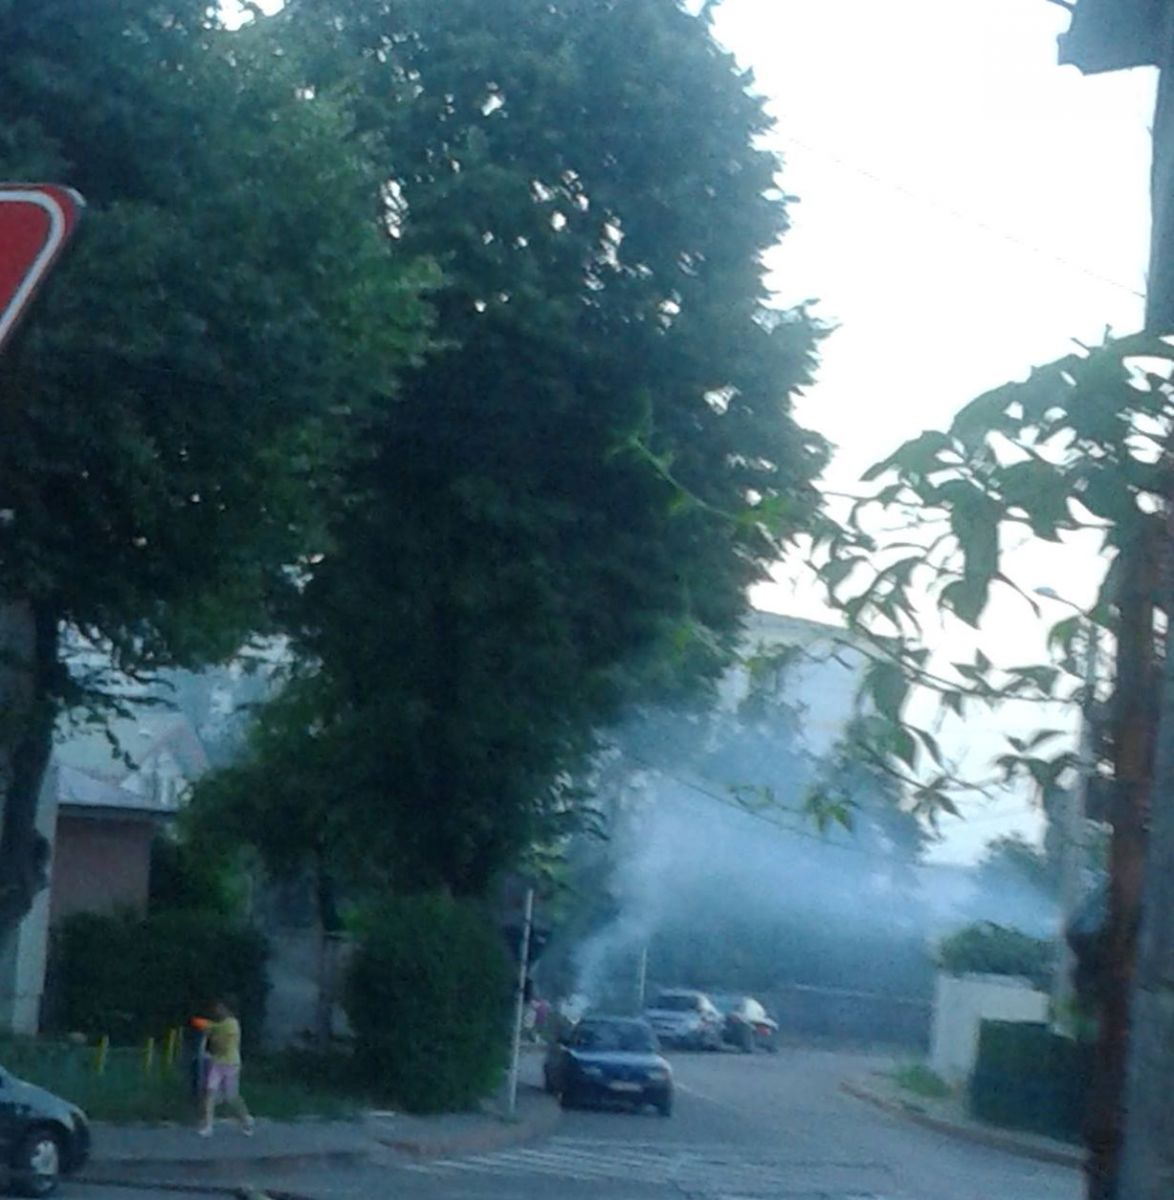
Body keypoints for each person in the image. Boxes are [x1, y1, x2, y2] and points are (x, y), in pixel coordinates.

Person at [192, 998, 254, 1137]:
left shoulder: (231, 1024)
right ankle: (208, 1126)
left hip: (231, 1064)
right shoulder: (218, 1025)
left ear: (228, 1009)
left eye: (220, 1007)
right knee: (210, 1092)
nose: (217, 1010)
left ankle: (246, 1119)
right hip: (217, 1062)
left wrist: (206, 1028)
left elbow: (216, 1036)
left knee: (231, 1097)